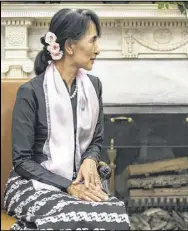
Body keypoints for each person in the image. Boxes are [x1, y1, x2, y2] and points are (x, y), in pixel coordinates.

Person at [3, 8, 130, 230]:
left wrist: (90, 159)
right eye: (92, 41)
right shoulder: (31, 93)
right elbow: (22, 160)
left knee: (115, 217)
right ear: (70, 46)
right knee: (71, 218)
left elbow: (96, 140)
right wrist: (68, 186)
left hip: (80, 183)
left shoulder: (94, 86)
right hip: (32, 185)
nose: (97, 49)